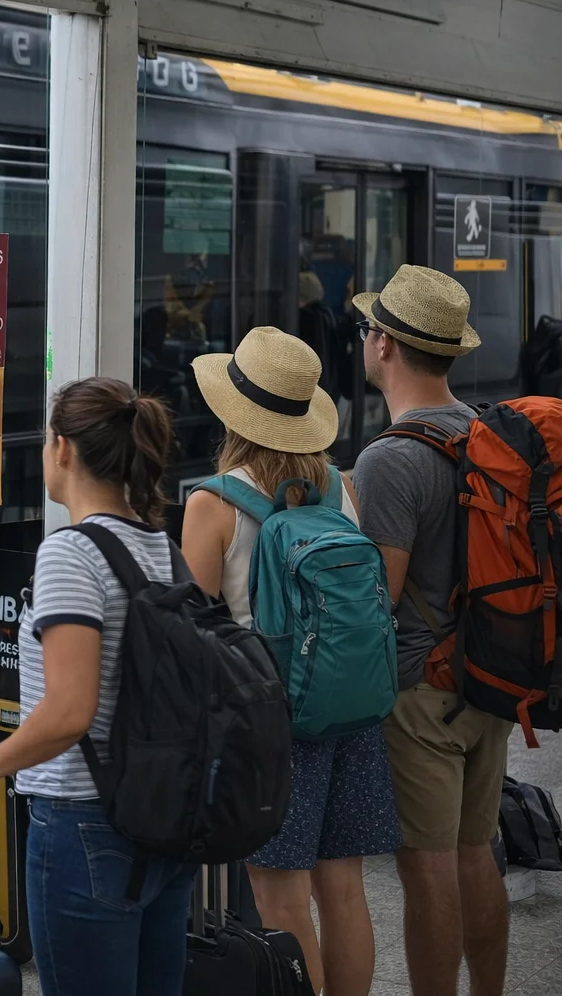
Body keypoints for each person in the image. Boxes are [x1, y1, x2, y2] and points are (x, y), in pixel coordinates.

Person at [0, 377, 192, 996]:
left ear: (63, 449)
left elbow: (71, 710)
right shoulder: (160, 546)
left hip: (84, 824)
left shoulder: (71, 554)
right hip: (162, 820)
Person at [182, 327, 400, 996]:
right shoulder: (339, 487)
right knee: (344, 890)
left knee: (280, 900)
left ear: (233, 414)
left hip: (269, 723)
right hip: (351, 710)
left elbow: (191, 632)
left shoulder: (213, 502)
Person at [350, 264, 511, 996]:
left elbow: (378, 597)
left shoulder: (390, 458)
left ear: (385, 344)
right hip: (488, 675)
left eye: (368, 328)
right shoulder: (485, 432)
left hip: (421, 695)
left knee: (427, 869)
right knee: (477, 852)